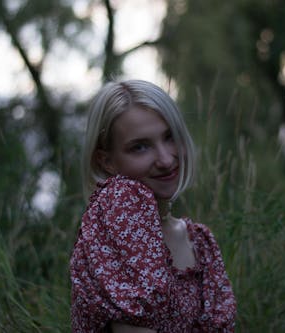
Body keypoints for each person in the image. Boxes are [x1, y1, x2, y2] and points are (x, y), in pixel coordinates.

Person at [70, 79, 236, 332]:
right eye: (140, 147)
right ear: (106, 162)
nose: (166, 159)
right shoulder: (114, 214)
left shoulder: (201, 242)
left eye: (170, 137)